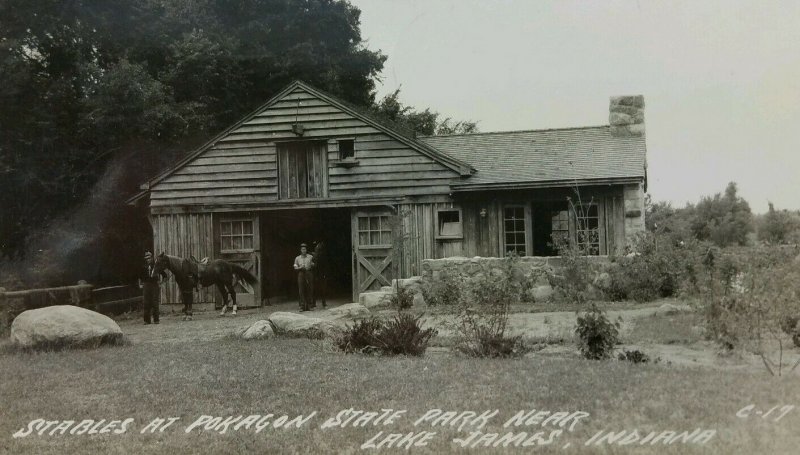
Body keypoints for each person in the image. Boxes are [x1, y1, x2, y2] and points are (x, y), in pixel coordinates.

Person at [139, 251, 167, 324]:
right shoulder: (143, 266)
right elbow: (139, 276)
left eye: (149, 258)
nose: (148, 260)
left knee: (155, 302)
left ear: (152, 258)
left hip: (154, 285)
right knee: (146, 302)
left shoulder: (156, 266)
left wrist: (161, 283)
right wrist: (140, 284)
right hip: (146, 285)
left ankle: (156, 320)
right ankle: (147, 320)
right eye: (146, 258)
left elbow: (164, 275)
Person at [293, 243, 314, 311]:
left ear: (306, 250)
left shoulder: (310, 257)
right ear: (300, 250)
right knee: (301, 290)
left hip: (308, 273)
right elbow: (295, 267)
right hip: (301, 273)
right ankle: (302, 306)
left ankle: (310, 306)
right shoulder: (297, 258)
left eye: (305, 249)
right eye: (302, 249)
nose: (304, 250)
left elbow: (314, 264)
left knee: (309, 289)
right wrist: (300, 267)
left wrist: (312, 265)